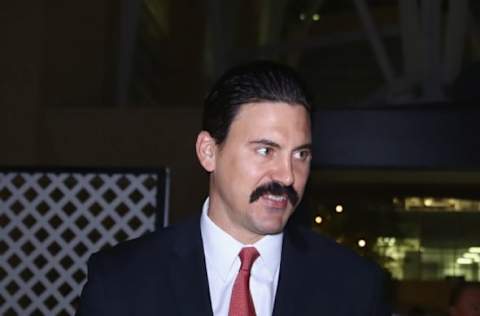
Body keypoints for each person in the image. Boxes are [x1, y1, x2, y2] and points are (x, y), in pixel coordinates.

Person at [76, 61, 390, 315]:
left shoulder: (355, 287)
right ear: (208, 151)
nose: (287, 176)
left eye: (301, 154)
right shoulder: (122, 280)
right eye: (266, 150)